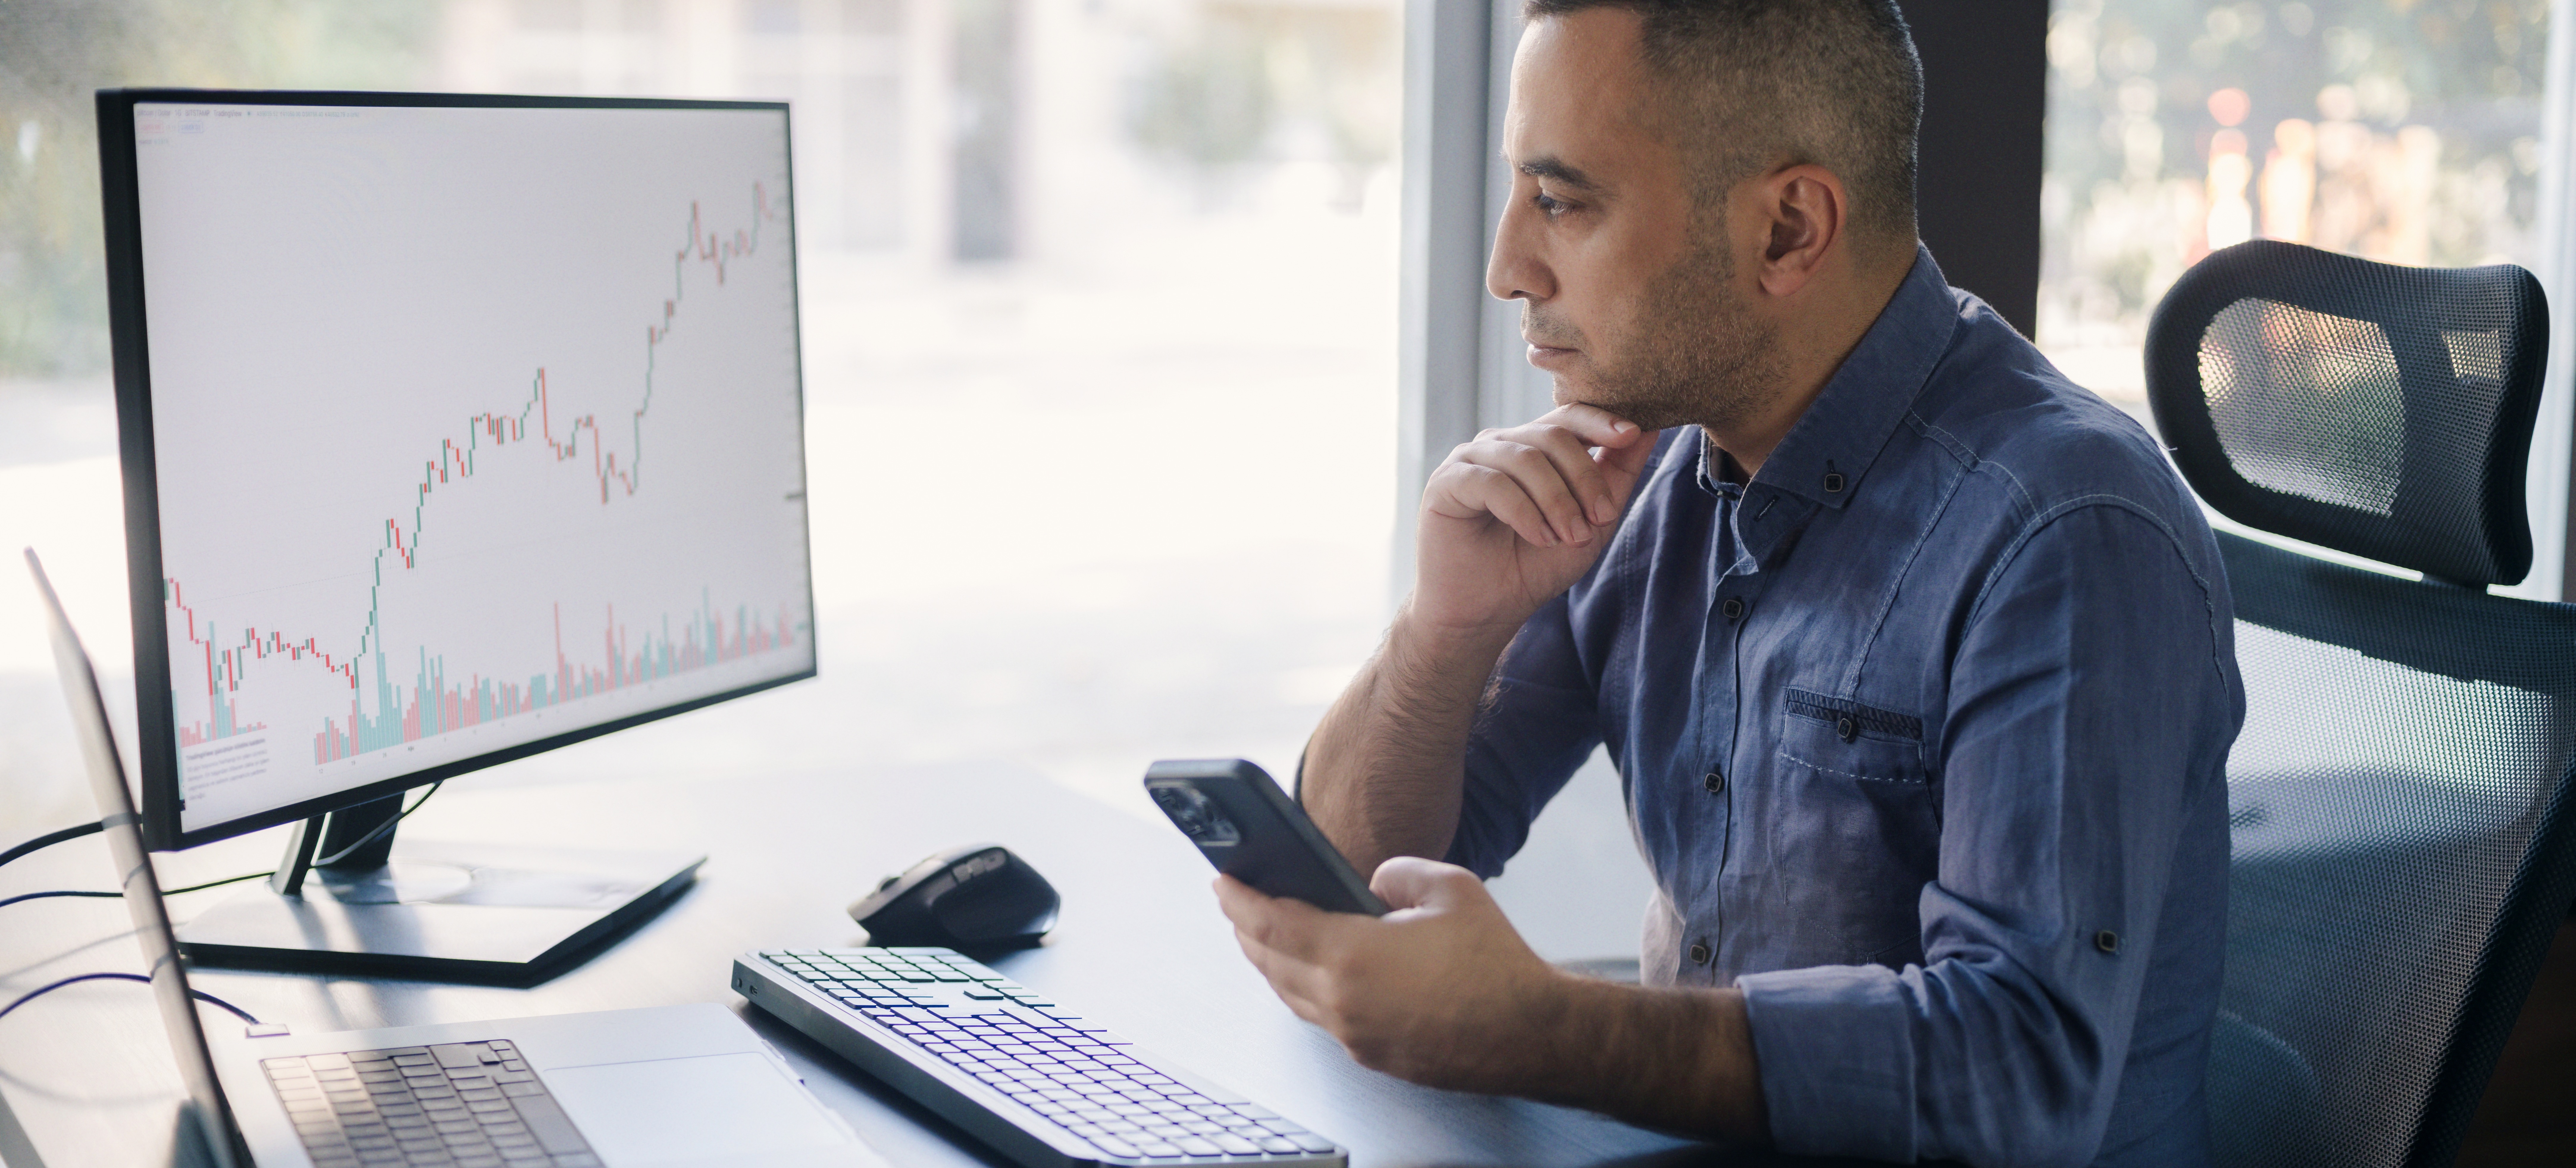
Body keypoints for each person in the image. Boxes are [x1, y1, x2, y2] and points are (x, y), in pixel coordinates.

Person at [1209, 3, 2244, 1166]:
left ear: (1786, 230)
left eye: (1561, 201)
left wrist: (1533, 1031)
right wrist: (1442, 633)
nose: (1506, 266)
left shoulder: (2063, 531)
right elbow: (1355, 875)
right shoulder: (1647, 477)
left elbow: (2018, 1080)